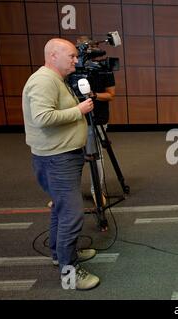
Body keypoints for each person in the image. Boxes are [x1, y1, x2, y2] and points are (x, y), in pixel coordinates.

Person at [22, 38, 100, 290]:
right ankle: (69, 272)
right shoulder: (43, 80)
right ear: (53, 56)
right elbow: (43, 117)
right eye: (71, 56)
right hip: (57, 159)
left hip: (62, 155)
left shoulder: (55, 79)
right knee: (71, 214)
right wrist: (79, 110)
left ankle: (59, 254)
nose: (76, 60)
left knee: (60, 208)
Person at [77, 36, 116, 210]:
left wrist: (94, 95)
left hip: (97, 119)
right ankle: (66, 194)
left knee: (95, 156)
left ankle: (97, 190)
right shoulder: (72, 71)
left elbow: (111, 95)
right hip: (74, 120)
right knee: (72, 158)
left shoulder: (103, 70)